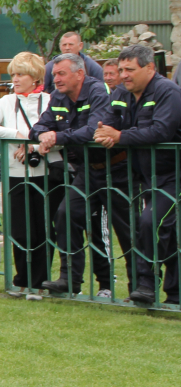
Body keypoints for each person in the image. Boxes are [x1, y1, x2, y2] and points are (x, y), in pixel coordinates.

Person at [94, 43, 181, 304]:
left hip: (172, 173)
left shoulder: (168, 92)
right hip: (144, 173)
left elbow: (161, 131)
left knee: (151, 223)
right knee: (164, 230)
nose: (123, 75)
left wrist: (120, 136)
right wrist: (105, 134)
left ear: (150, 68)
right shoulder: (122, 92)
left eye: (129, 70)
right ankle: (173, 293)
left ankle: (147, 284)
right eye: (121, 70)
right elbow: (107, 122)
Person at [32, 53, 116, 297]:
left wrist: (57, 136)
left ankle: (118, 286)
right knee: (66, 214)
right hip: (87, 169)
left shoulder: (98, 91)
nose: (56, 79)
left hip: (116, 168)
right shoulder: (58, 95)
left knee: (119, 229)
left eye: (61, 74)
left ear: (80, 74)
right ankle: (69, 279)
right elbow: (39, 126)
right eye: (54, 74)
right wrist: (43, 135)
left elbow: (93, 131)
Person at [0, 52, 61, 289]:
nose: (15, 79)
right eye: (13, 74)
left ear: (35, 77)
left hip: (47, 173)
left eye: (21, 74)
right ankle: (22, 280)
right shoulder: (6, 102)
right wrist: (16, 135)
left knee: (44, 230)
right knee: (20, 231)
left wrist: (35, 146)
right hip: (15, 173)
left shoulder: (51, 100)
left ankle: (39, 282)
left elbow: (61, 133)